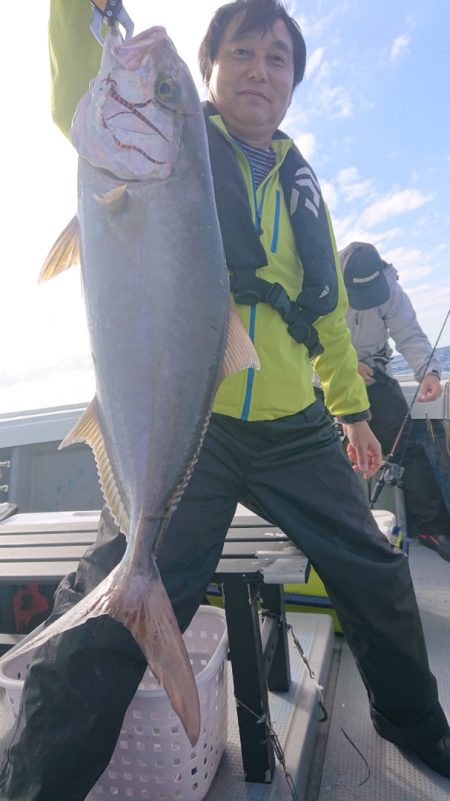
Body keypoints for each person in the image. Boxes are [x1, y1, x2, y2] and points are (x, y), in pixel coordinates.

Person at [1, 2, 450, 798]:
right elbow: (77, 89)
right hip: (191, 428)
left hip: (294, 427)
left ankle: (414, 722)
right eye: (241, 52)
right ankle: (35, 784)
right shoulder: (170, 137)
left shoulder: (303, 187)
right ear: (208, 71)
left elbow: (327, 317)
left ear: (292, 84)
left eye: (278, 60)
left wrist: (351, 411)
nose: (259, 71)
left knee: (378, 572)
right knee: (111, 612)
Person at [340, 241, 450, 560]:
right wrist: (346, 365)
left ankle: (432, 527)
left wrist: (428, 372)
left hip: (374, 377)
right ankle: (333, 528)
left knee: (407, 448)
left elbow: (409, 334)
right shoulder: (319, 283)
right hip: (324, 380)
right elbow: (303, 343)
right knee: (321, 454)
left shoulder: (390, 289)